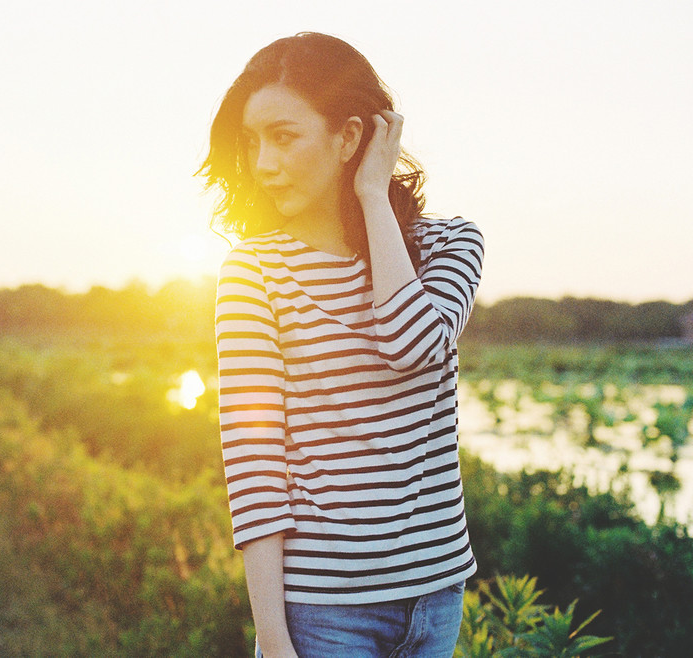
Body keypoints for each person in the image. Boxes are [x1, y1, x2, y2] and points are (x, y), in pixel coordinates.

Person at [199, 33, 485, 657]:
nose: (262, 164)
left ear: (350, 138)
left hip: (436, 596)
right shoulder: (253, 273)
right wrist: (272, 637)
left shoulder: (450, 246)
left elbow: (411, 345)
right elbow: (255, 463)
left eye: (283, 136)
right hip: (323, 613)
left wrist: (371, 197)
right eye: (251, 143)